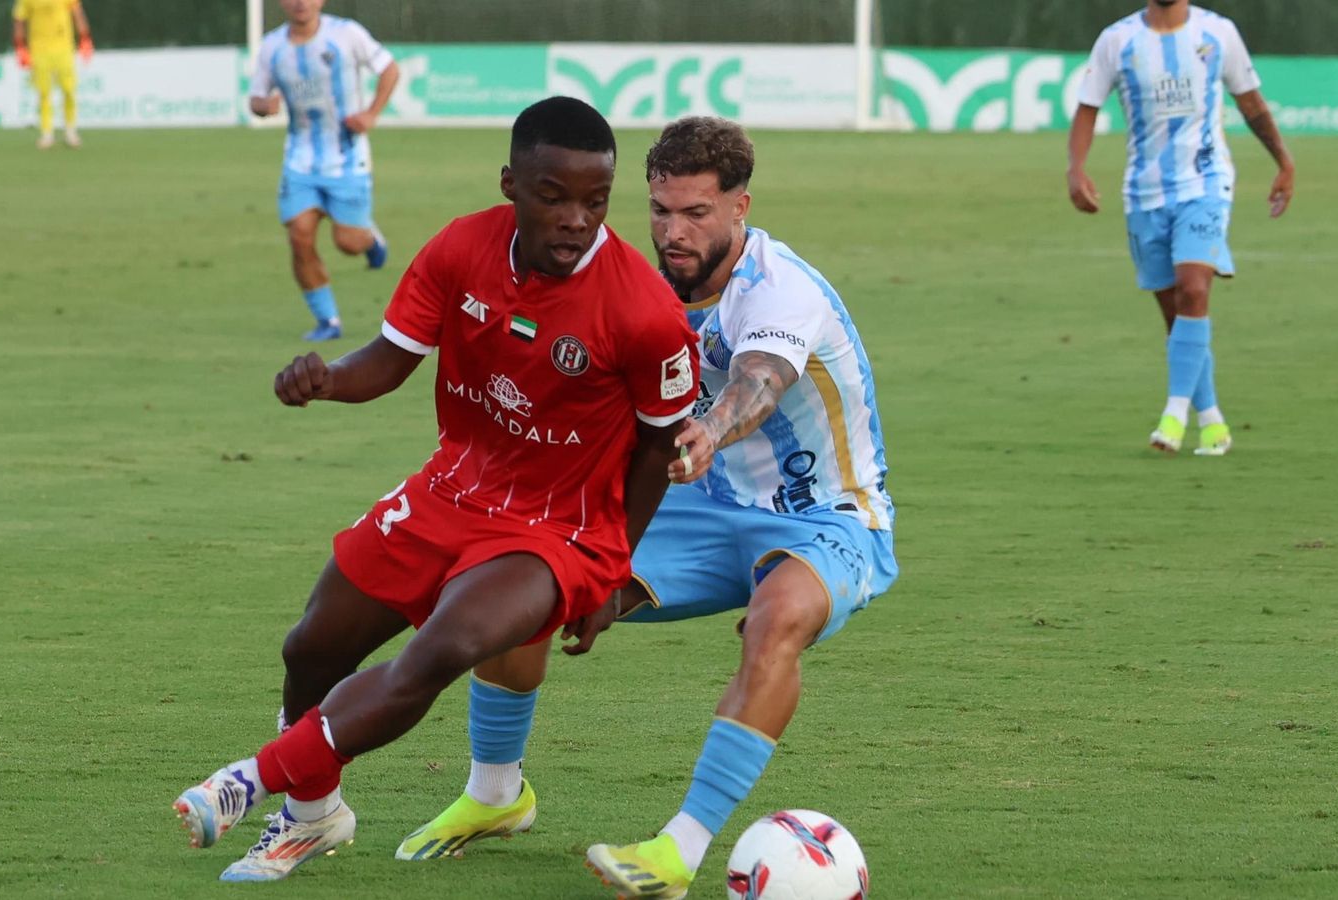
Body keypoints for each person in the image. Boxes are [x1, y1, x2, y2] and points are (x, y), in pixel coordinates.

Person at [171, 96, 701, 884]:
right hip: (454, 489)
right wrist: (325, 381)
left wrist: (613, 565)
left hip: (558, 530)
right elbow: (388, 360)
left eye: (595, 202)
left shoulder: (645, 310)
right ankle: (313, 819)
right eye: (553, 197)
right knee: (312, 646)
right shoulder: (462, 247)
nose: (575, 221)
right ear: (511, 186)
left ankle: (251, 779)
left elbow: (660, 448)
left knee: (441, 649)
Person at [396, 117, 898, 900]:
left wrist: (707, 434)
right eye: (661, 210)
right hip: (697, 511)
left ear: (741, 208)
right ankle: (497, 795)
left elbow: (758, 382)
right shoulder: (632, 282)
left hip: (824, 515)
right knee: (528, 587)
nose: (673, 231)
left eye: (696, 213)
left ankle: (678, 853)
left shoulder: (780, 289)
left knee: (777, 620)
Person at [1067, 0, 1296, 455]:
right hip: (1144, 193)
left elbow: (1249, 102)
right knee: (1177, 316)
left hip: (1206, 182)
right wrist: (1076, 169)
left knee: (1194, 289)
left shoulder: (1218, 33)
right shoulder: (1118, 40)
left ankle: (1173, 416)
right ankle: (1212, 421)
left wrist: (1284, 163)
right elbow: (1088, 107)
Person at [249, 0, 401, 342]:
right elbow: (255, 98)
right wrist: (264, 105)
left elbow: (390, 69)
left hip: (347, 157)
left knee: (348, 243)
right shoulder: (272, 47)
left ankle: (370, 239)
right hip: (299, 161)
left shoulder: (346, 34)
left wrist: (371, 114)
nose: (301, 2)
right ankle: (328, 321)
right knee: (299, 237)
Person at [11, 0, 92, 149]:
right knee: (44, 93)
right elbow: (19, 20)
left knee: (69, 90)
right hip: (39, 50)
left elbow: (77, 12)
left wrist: (85, 37)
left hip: (64, 48)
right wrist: (20, 46)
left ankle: (70, 131)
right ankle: (47, 134)